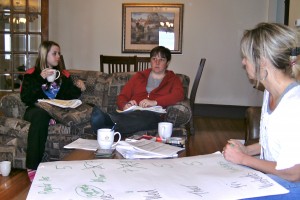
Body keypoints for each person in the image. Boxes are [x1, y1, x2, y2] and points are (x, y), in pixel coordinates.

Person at [223, 23, 300, 199]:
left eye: (246, 57)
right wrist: (246, 150)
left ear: (262, 61)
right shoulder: (269, 92)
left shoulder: (295, 105)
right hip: (276, 178)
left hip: (293, 186)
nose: (243, 62)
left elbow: (295, 172)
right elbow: (276, 144)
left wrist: (243, 159)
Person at [20, 41, 86, 182]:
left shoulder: (63, 75)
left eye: (59, 53)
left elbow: (69, 96)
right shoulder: (32, 74)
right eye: (54, 53)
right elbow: (26, 98)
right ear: (44, 54)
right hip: (36, 110)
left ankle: (52, 118)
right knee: (41, 115)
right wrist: (40, 79)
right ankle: (32, 166)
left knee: (84, 108)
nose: (58, 56)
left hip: (57, 110)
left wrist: (79, 88)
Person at [91, 46, 184, 136]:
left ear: (167, 62)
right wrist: (125, 105)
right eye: (154, 59)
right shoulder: (139, 76)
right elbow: (122, 96)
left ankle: (104, 123)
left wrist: (154, 102)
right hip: (132, 112)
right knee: (130, 115)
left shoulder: (173, 79)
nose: (157, 62)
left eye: (162, 60)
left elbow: (179, 94)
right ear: (150, 61)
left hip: (153, 115)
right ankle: (106, 124)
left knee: (144, 118)